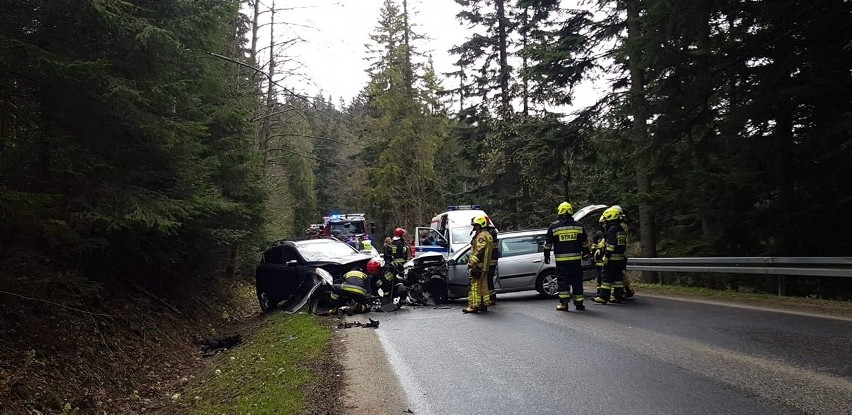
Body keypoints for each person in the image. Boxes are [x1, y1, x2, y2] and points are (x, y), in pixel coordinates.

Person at [543, 202, 590, 312]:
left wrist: (546, 255)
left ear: (559, 212)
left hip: (561, 261)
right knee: (577, 281)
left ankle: (564, 304)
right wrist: (586, 253)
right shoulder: (579, 226)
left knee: (562, 281)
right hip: (576, 260)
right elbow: (584, 243)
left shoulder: (554, 227)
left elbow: (548, 244)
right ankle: (579, 303)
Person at [594, 206, 627, 304]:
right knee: (618, 279)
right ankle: (617, 296)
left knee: (606, 279)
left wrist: (606, 256)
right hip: (620, 258)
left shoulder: (612, 229)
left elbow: (611, 246)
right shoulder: (620, 229)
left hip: (612, 259)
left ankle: (603, 297)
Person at [463, 215, 494, 314]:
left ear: (481, 224)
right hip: (484, 266)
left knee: (475, 286)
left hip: (479, 265)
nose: (475, 227)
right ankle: (484, 304)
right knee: (483, 285)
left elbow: (480, 250)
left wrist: (472, 262)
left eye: (476, 225)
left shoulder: (481, 236)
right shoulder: (488, 234)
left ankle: (474, 305)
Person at [485, 219, 499, 306]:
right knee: (488, 279)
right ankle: (491, 298)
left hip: (490, 260)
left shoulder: (490, 233)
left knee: (488, 279)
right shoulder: (492, 231)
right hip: (490, 259)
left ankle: (492, 298)